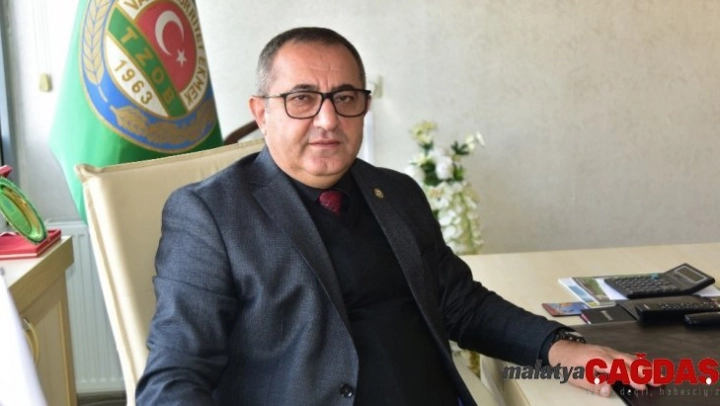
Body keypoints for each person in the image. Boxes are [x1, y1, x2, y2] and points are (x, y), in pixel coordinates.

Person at [136, 27, 649, 405]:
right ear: (261, 112)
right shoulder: (209, 214)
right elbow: (177, 375)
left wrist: (559, 348)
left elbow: (462, 306)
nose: (327, 120)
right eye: (302, 99)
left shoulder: (396, 193)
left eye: (345, 98)